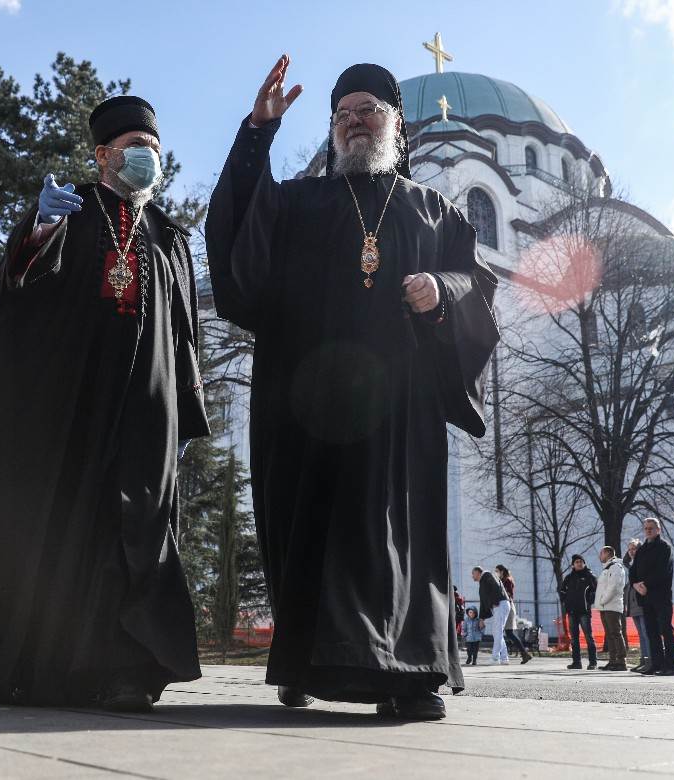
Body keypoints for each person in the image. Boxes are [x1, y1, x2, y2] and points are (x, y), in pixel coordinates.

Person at [0, 95, 211, 712]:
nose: (147, 157)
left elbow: (186, 330)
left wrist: (187, 408)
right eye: (135, 146)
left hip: (141, 409)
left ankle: (119, 672)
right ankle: (16, 665)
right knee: (45, 525)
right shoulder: (70, 209)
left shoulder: (169, 234)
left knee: (130, 536)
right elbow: (20, 281)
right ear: (104, 154)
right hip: (63, 399)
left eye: (155, 149)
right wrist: (41, 227)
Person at [206, 56, 499, 721]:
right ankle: (305, 663)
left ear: (397, 124)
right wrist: (257, 134)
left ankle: (410, 675)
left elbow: (478, 292)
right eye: (343, 115)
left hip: (398, 410)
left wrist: (441, 294)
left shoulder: (438, 214)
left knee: (395, 533)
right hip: (303, 403)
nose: (354, 123)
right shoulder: (296, 201)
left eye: (368, 111)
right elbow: (233, 236)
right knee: (311, 531)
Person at [630, 517, 674, 676]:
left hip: (661, 596)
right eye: (646, 528)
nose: (648, 530)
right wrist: (635, 584)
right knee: (651, 632)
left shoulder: (664, 547)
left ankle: (671, 666)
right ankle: (656, 664)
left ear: (658, 530)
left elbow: (663, 571)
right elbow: (633, 570)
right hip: (644, 597)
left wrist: (646, 585)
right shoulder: (642, 549)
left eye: (651, 528)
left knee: (665, 630)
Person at [558, 555, 598, 670]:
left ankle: (593, 662)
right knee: (574, 638)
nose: (579, 564)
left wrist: (589, 601)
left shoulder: (589, 576)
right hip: (571, 612)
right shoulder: (569, 577)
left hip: (584, 611)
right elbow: (562, 591)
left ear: (584, 563)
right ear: (573, 565)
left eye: (581, 562)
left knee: (588, 637)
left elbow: (595, 591)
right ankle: (576, 662)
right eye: (576, 562)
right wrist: (566, 602)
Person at [595, 546, 627, 671]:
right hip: (605, 606)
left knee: (615, 633)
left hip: (612, 606)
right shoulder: (607, 568)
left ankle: (621, 661)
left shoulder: (615, 567)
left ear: (608, 553)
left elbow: (613, 587)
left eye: (601, 553)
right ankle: (613, 660)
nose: (599, 556)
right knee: (609, 634)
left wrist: (603, 601)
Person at [494, 564, 532, 664]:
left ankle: (523, 653)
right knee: (506, 633)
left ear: (502, 571)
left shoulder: (507, 581)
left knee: (509, 633)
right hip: (503, 607)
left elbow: (510, 595)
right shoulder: (500, 581)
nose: (496, 573)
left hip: (508, 607)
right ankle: (523, 654)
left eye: (497, 571)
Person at [473, 566, 510, 665]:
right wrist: (481, 618)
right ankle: (504, 658)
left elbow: (495, 586)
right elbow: (483, 602)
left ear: (477, 572)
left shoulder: (487, 575)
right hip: (500, 605)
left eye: (473, 574)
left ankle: (495, 658)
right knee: (497, 632)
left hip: (500, 604)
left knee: (497, 631)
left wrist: (495, 600)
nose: (472, 576)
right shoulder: (484, 579)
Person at [623, 539, 650, 672]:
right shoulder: (630, 565)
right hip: (633, 604)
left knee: (646, 633)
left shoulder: (644, 563)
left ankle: (650, 660)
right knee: (641, 634)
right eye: (630, 549)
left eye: (634, 548)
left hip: (642, 603)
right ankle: (644, 660)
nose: (632, 551)